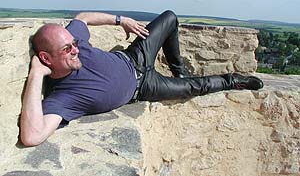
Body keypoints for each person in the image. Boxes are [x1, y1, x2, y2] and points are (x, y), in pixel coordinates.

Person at [20, 10, 263, 146]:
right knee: (196, 87)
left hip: (134, 57)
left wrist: (121, 20)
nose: (75, 49)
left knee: (169, 18)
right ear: (46, 58)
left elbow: (82, 17)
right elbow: (32, 136)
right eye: (67, 49)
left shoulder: (72, 43)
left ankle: (178, 71)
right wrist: (36, 74)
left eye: (73, 44)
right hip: (144, 87)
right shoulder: (62, 98)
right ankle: (234, 80)